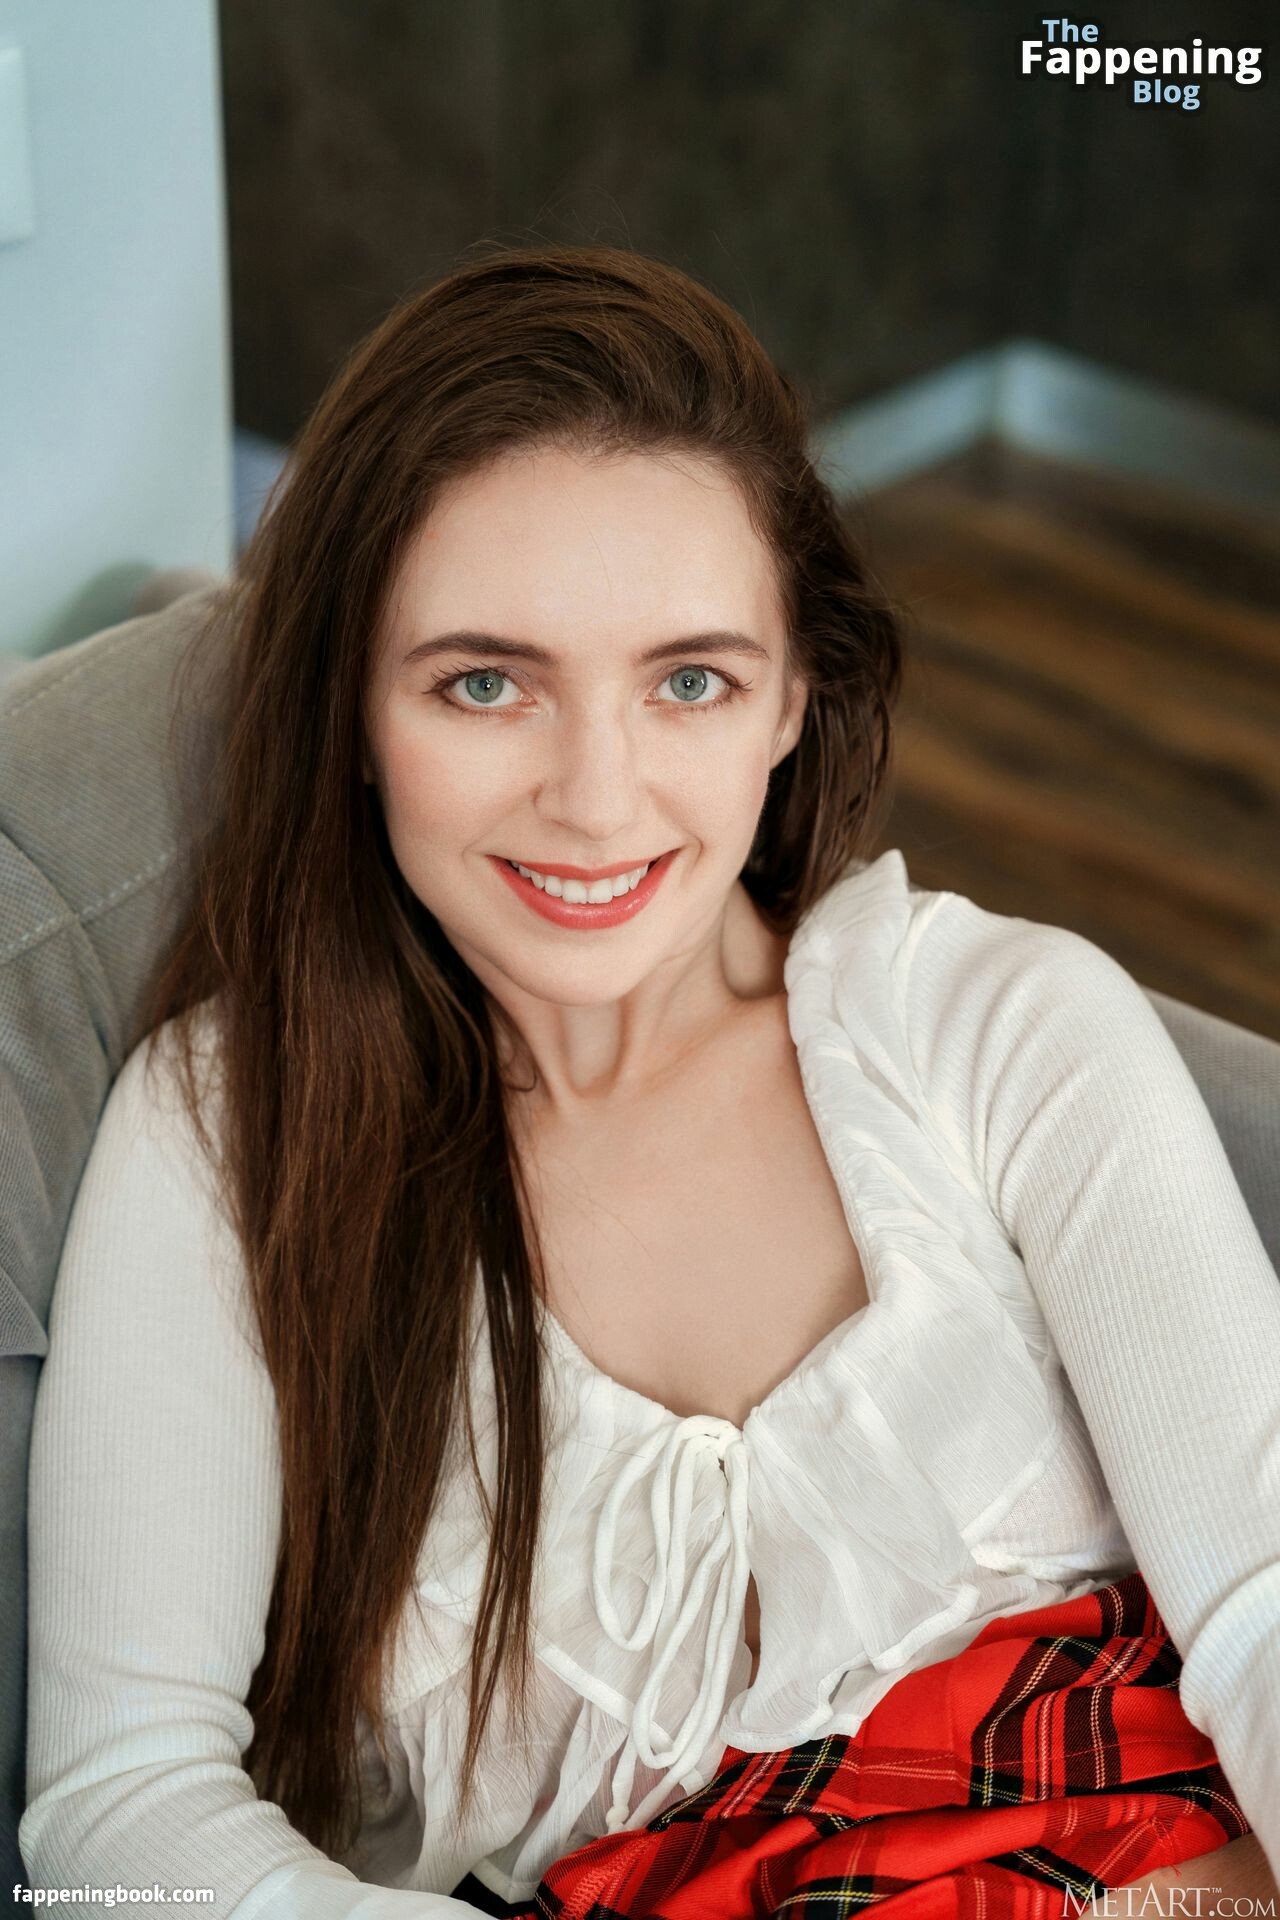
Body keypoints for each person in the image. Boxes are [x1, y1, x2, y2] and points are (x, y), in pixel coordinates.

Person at [20, 243, 1280, 1918]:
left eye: (691, 681)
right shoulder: (230, 1136)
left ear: (792, 702)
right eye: (487, 684)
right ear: (352, 712)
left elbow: (1264, 1607)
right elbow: (122, 1805)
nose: (598, 799)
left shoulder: (1000, 1030)